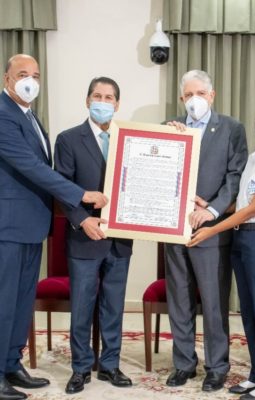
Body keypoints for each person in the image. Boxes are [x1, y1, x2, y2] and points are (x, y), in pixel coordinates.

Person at [0, 54, 107, 400]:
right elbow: (33, 167)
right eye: (21, 74)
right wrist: (81, 194)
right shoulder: (3, 114)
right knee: (4, 300)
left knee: (21, 300)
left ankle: (12, 363)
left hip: (32, 225)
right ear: (6, 79)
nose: (30, 80)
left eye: (35, 74)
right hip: (9, 226)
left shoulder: (28, 116)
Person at [188, 101, 255, 400]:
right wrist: (209, 208)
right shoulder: (253, 158)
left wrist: (212, 228)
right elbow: (240, 202)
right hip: (243, 240)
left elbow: (253, 210)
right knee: (248, 313)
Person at [164, 70, 248, 392]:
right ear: (182, 98)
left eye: (200, 93)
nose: (194, 99)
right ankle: (184, 363)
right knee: (179, 300)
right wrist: (169, 140)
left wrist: (210, 210)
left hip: (211, 229)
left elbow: (234, 177)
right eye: (188, 95)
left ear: (212, 95)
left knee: (213, 302)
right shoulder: (169, 128)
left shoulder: (231, 129)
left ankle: (217, 366)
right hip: (175, 230)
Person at [54, 77, 133, 394]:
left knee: (114, 306)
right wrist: (82, 220)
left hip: (120, 239)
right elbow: (61, 187)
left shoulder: (131, 141)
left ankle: (110, 366)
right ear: (87, 100)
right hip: (84, 238)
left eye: (109, 97)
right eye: (97, 95)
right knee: (82, 307)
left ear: (117, 104)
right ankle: (80, 368)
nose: (103, 101)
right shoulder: (69, 139)